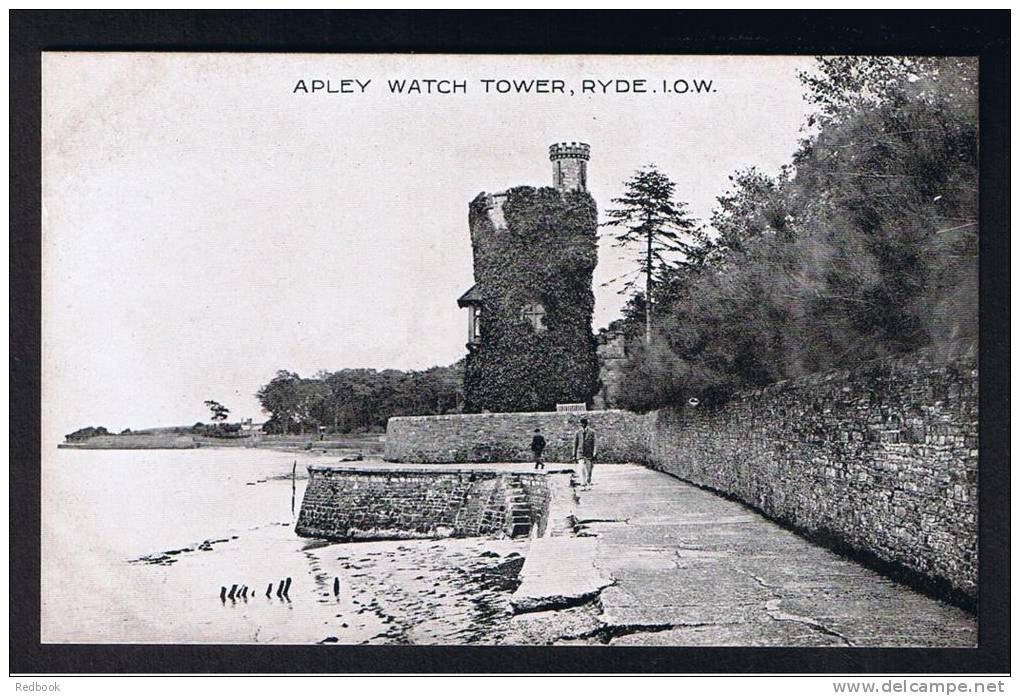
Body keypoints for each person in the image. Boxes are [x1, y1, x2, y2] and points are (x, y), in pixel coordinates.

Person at [573, 417, 597, 487]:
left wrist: (594, 452)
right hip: (580, 453)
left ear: (586, 424)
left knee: (589, 470)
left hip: (589, 453)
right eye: (581, 424)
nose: (582, 425)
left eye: (583, 424)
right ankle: (583, 483)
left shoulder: (592, 432)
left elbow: (595, 443)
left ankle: (588, 481)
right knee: (581, 468)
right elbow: (575, 444)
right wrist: (574, 454)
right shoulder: (578, 433)